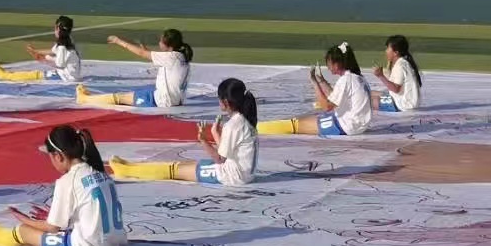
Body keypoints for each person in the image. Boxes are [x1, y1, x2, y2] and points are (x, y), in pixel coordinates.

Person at [0, 124, 127, 246]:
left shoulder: (68, 180)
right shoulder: (101, 173)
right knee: (41, 231)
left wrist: (26, 220)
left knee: (23, 232)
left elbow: (53, 227)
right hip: (114, 242)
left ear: (58, 156)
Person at [110, 77, 259, 185]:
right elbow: (228, 153)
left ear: (225, 102)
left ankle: (128, 171)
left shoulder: (234, 125)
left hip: (232, 177)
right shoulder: (244, 120)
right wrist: (216, 134)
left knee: (175, 170)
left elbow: (220, 159)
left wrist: (203, 140)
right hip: (241, 174)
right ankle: (131, 167)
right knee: (186, 165)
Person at [258, 43, 373, 137]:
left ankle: (257, 128)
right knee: (308, 120)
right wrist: (321, 80)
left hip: (347, 126)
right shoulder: (357, 78)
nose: (327, 66)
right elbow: (334, 96)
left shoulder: (346, 80)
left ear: (337, 64)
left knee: (296, 124)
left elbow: (327, 107)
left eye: (329, 63)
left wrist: (314, 83)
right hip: (357, 125)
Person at [75, 29, 192, 108]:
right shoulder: (180, 56)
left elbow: (142, 53)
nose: (159, 43)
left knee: (119, 98)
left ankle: (84, 99)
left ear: (168, 45)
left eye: (161, 41)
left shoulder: (171, 57)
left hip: (162, 101)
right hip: (172, 99)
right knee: (130, 95)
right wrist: (145, 50)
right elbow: (153, 56)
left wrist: (118, 41)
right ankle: (88, 98)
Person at [0, 15, 82, 83]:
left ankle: (5, 75)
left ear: (58, 29)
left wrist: (44, 58)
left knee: (34, 75)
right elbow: (53, 51)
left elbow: (59, 64)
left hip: (65, 77)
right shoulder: (67, 42)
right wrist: (36, 51)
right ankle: (7, 75)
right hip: (68, 75)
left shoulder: (62, 46)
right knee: (36, 74)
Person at [372, 34, 421, 112]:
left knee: (367, 100)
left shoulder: (400, 65)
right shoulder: (403, 62)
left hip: (402, 105)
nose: (386, 51)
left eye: (388, 48)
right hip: (406, 102)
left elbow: (396, 89)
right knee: (369, 93)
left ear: (395, 53)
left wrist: (381, 76)